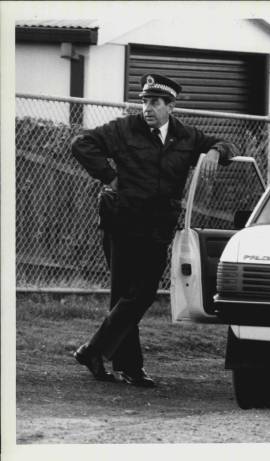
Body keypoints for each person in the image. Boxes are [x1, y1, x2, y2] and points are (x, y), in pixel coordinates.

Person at [72, 73, 236, 387]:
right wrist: (109, 176)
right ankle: (128, 367)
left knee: (143, 293)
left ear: (170, 107)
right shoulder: (123, 129)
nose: (148, 107)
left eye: (155, 102)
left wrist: (216, 151)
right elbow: (81, 143)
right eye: (144, 101)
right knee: (124, 293)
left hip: (157, 226)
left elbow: (225, 143)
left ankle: (94, 351)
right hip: (122, 221)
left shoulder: (186, 136)